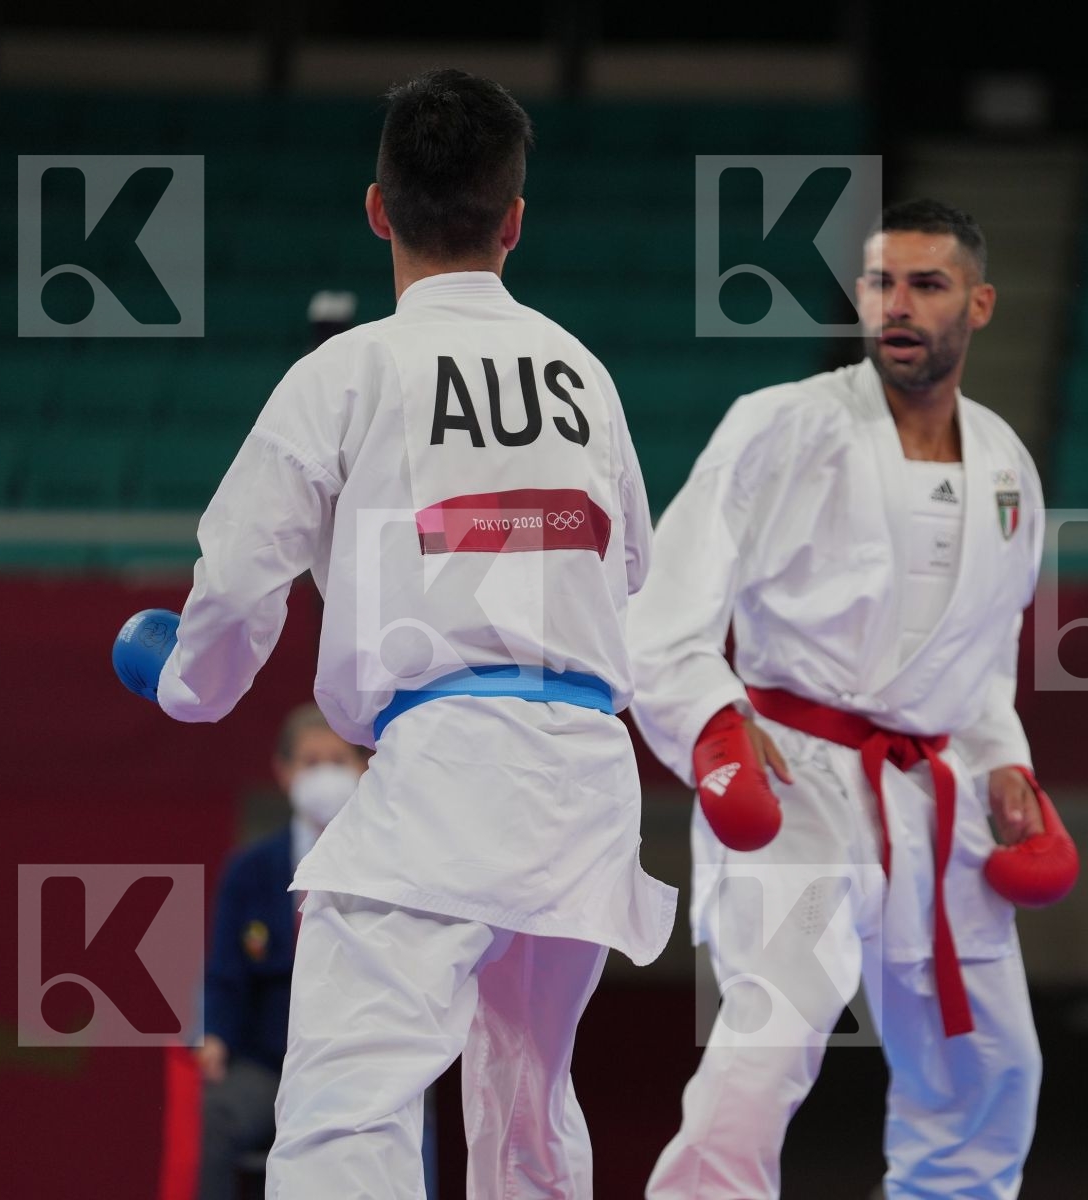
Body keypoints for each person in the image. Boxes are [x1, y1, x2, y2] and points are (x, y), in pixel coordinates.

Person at [112, 67, 674, 1200]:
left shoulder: (351, 367)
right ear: (515, 222)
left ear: (377, 210)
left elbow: (238, 572)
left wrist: (184, 681)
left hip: (449, 766)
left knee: (343, 1108)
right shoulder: (586, 376)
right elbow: (635, 577)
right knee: (526, 1102)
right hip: (584, 774)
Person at [629, 199, 1079, 1199]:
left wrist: (1007, 761)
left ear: (981, 303)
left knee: (992, 1065)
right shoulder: (785, 426)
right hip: (798, 775)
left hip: (936, 786)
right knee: (771, 1038)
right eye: (881, 284)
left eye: (927, 285)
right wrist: (712, 720)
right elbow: (665, 609)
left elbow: (987, 653)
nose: (899, 306)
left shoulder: (1006, 462)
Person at [197, 704, 365, 1200]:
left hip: (357, 1066)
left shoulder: (384, 863)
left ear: (362, 767)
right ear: (284, 770)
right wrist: (214, 1037)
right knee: (213, 1115)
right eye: (311, 762)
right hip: (267, 1067)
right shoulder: (250, 869)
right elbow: (225, 972)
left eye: (338, 760)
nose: (325, 775)